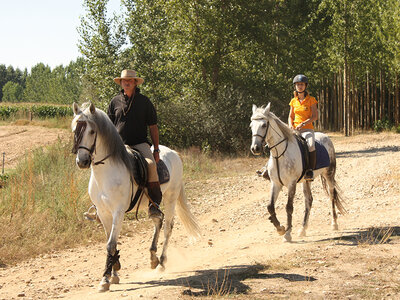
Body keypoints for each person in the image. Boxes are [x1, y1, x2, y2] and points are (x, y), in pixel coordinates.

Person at [288, 74, 318, 180]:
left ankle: (310, 170)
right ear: (295, 86)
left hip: (307, 129)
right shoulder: (293, 101)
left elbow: (315, 116)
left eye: (302, 84)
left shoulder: (311, 100)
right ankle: (268, 169)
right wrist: (291, 125)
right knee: (280, 143)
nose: (300, 86)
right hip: (294, 130)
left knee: (311, 145)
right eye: (298, 84)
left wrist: (303, 124)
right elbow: (290, 116)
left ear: (305, 86)